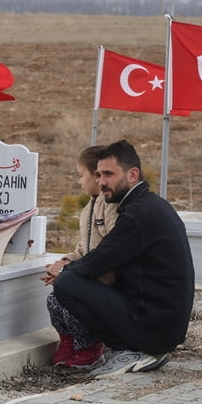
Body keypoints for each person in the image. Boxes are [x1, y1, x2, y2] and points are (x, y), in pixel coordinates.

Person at [49, 139, 195, 376]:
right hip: (161, 322)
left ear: (133, 174)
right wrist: (71, 264)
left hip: (154, 327)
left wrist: (64, 269)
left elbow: (99, 261)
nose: (101, 182)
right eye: (98, 174)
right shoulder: (149, 205)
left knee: (67, 284)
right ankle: (137, 348)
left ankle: (130, 350)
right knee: (72, 277)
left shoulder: (139, 214)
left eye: (108, 174)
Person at [41, 145, 119, 366]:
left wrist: (70, 274)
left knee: (72, 304)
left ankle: (90, 348)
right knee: (53, 301)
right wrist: (64, 262)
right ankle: (69, 342)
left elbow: (112, 248)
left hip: (104, 281)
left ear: (97, 177)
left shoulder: (110, 206)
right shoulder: (87, 210)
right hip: (84, 275)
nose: (79, 181)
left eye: (80, 175)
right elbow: (81, 250)